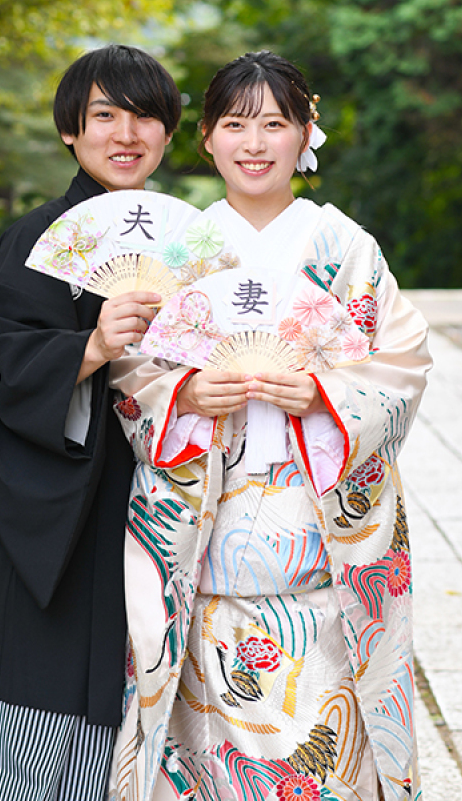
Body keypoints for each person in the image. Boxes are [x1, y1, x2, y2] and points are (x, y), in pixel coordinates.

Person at [108, 50, 432, 801]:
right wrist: (183, 392)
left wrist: (320, 391)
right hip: (202, 521)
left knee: (324, 739)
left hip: (312, 529)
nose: (255, 143)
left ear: (305, 134)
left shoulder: (344, 248)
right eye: (235, 124)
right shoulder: (174, 249)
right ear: (208, 141)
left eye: (275, 124)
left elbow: (404, 363)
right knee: (199, 739)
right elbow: (127, 368)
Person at [0, 44, 180, 801]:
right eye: (104, 115)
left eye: (145, 115)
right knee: (37, 726)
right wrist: (88, 346)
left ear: (169, 133)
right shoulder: (35, 238)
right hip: (67, 515)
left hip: (167, 509)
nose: (126, 133)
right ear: (70, 130)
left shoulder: (187, 244)